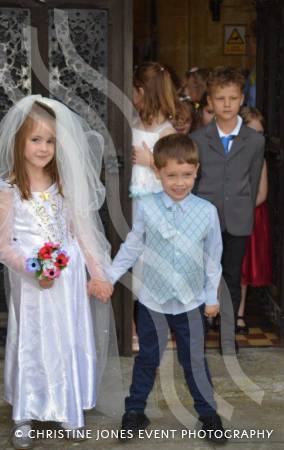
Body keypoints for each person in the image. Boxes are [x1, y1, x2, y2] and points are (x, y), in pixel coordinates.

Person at [0, 96, 116, 449]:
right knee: (33, 341)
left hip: (68, 279)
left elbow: (82, 232)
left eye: (51, 140)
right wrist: (35, 267)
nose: (44, 148)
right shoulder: (6, 191)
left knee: (67, 338)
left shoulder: (64, 185)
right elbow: (2, 246)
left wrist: (98, 273)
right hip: (32, 282)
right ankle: (25, 411)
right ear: (19, 142)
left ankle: (67, 408)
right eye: (35, 139)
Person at [107, 133, 227, 444]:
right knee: (147, 357)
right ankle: (134, 411)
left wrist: (212, 297)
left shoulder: (207, 212)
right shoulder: (146, 207)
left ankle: (208, 414)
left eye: (186, 175)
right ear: (158, 172)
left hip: (191, 302)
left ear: (196, 170)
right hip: (153, 301)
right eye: (171, 175)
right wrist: (109, 276)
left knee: (194, 360)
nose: (179, 182)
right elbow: (133, 246)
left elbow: (213, 259)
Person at [191, 66, 265, 354]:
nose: (226, 104)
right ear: (210, 100)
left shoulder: (255, 141)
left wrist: (244, 209)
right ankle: (197, 334)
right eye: (220, 98)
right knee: (201, 275)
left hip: (237, 219)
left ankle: (227, 336)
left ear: (241, 99)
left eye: (232, 98)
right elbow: (194, 181)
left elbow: (254, 177)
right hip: (204, 219)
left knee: (232, 277)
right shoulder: (198, 139)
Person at [237, 107, 272, 333]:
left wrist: (243, 209)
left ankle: (238, 313)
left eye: (261, 133)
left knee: (243, 271)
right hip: (228, 214)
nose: (257, 138)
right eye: (252, 132)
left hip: (251, 216)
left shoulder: (261, 161)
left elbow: (262, 194)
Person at [130, 62, 176, 198]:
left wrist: (150, 161)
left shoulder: (166, 132)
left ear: (141, 92)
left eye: (132, 89)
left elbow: (174, 173)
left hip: (154, 196)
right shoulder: (134, 122)